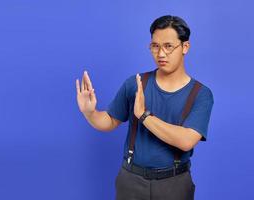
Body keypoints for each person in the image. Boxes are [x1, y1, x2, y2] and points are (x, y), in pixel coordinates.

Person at [76, 15, 214, 200]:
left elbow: (186, 140)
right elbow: (108, 121)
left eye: (168, 46)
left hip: (174, 183)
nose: (161, 54)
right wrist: (89, 112)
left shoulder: (201, 94)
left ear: (185, 47)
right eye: (155, 46)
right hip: (131, 180)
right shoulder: (135, 84)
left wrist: (144, 116)